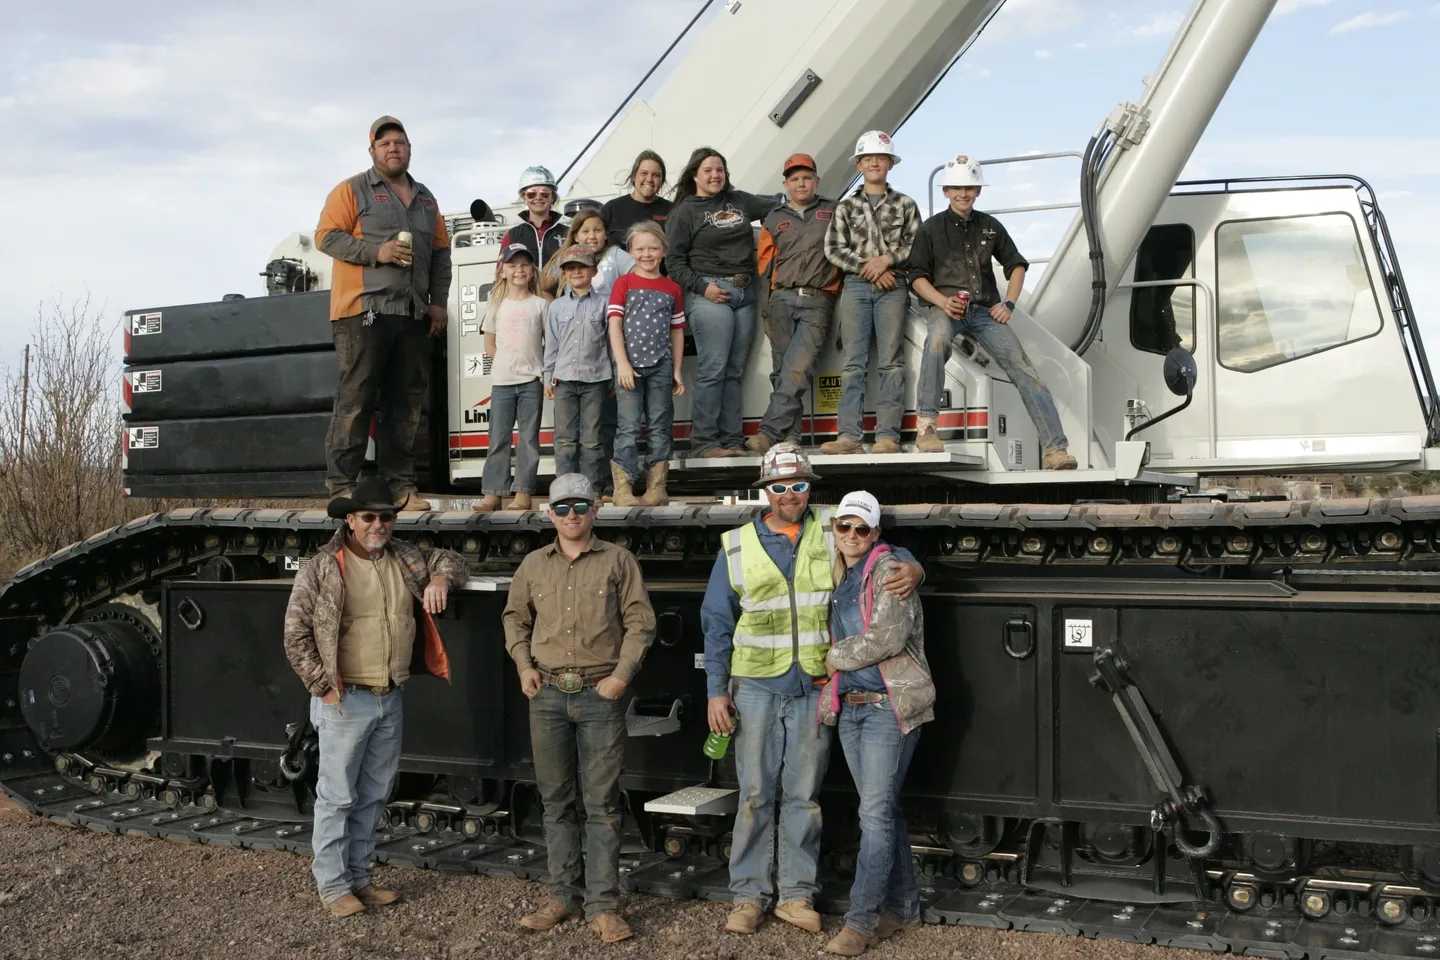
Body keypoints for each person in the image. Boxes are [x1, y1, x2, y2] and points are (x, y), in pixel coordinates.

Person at [701, 444, 923, 936]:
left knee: (804, 794)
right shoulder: (736, 545)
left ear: (809, 488)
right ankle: (748, 896)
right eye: (780, 487)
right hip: (756, 684)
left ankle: (797, 896)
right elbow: (716, 621)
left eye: (799, 485)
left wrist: (913, 565)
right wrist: (717, 690)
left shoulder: (831, 526)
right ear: (765, 491)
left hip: (815, 688)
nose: (791, 495)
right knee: (756, 793)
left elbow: (878, 546)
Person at [282, 476, 463, 917]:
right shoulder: (324, 567)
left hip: (389, 696)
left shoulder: (404, 557)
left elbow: (452, 558)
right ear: (351, 520)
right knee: (338, 796)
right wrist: (321, 686)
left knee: (373, 794)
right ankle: (333, 886)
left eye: (387, 516)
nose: (379, 524)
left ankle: (360, 879)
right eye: (370, 517)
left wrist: (440, 578)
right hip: (345, 699)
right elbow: (294, 634)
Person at [503, 473, 657, 944]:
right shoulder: (533, 565)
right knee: (555, 801)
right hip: (545, 695)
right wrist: (523, 666)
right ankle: (562, 896)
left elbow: (640, 622)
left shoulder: (618, 561)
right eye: (563, 508)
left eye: (581, 507)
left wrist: (620, 678)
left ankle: (604, 906)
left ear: (596, 511)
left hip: (599, 695)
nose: (572, 515)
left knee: (602, 803)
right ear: (550, 514)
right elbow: (515, 617)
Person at [817, 491, 934, 957]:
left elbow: (888, 637)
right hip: (852, 706)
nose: (851, 536)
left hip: (889, 706)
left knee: (874, 815)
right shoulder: (839, 571)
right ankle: (904, 908)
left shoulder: (889, 568)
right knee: (883, 811)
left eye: (861, 529)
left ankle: (861, 922)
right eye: (844, 527)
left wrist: (828, 657)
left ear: (876, 533)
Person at [315, 115, 450, 512]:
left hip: (412, 313)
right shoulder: (352, 190)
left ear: (410, 148)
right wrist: (377, 252)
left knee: (405, 404)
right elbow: (326, 237)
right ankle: (341, 486)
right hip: (363, 312)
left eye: (400, 142)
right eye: (385, 143)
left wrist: (437, 302)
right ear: (372, 150)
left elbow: (441, 253)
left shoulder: (426, 199)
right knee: (356, 400)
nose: (394, 148)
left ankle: (400, 488)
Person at [910, 154, 1077, 469]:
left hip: (985, 312)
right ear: (946, 191)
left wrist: (1008, 303)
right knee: (936, 341)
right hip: (947, 308)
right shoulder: (931, 229)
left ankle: (1056, 450)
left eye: (970, 188)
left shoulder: (990, 226)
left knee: (1024, 369)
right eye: (957, 188)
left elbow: (1016, 265)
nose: (963, 194)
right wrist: (942, 302)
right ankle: (927, 428)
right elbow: (916, 276)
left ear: (978, 192)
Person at [666, 147, 775, 458]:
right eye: (708, 170)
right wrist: (703, 288)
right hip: (709, 293)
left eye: (720, 169)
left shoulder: (740, 201)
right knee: (713, 369)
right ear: (695, 175)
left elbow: (777, 205)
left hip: (745, 292)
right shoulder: (685, 211)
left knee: (734, 371)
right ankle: (704, 442)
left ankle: (731, 440)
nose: (715, 175)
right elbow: (674, 262)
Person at [820, 130, 920, 456]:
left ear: (890, 163)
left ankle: (887, 436)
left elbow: (914, 246)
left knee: (891, 362)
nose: (874, 162)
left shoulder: (906, 205)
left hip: (894, 287)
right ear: (859, 164)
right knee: (853, 363)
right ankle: (849, 436)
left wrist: (886, 261)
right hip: (857, 287)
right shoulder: (845, 208)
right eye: (868, 158)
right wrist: (871, 267)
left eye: (881, 157)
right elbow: (834, 249)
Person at [745, 153, 841, 454]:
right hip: (781, 301)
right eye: (795, 178)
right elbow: (764, 268)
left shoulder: (834, 211)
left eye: (807, 177)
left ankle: (769, 432)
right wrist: (766, 307)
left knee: (797, 370)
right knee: (781, 372)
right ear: (786, 183)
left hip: (818, 300)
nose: (801, 183)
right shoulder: (773, 218)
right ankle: (791, 438)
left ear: (817, 180)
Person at [607, 221, 686, 506]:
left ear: (664, 251)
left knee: (660, 424)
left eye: (653, 248)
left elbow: (677, 330)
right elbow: (614, 325)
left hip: (661, 365)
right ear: (631, 251)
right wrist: (623, 364)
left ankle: (656, 486)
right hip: (630, 366)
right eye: (640, 249)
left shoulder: (672, 288)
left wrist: (677, 369)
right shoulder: (624, 283)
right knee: (628, 426)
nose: (647, 254)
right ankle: (623, 488)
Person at [475, 247, 547, 513]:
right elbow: (490, 343)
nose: (519, 270)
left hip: (531, 382)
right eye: (513, 265)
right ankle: (493, 493)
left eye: (525, 265)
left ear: (532, 271)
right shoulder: (496, 304)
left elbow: (548, 344)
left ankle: (523, 492)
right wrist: (505, 363)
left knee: (528, 439)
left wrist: (542, 373)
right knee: (498, 438)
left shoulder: (540, 305)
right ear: (503, 271)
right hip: (503, 382)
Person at [543, 246, 611, 492]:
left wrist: (612, 377)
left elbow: (611, 343)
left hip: (596, 379)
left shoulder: (604, 303)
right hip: (564, 381)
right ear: (564, 274)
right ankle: (565, 489)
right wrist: (548, 377)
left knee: (592, 439)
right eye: (570, 268)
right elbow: (551, 344)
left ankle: (591, 489)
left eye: (581, 267)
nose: (576, 272)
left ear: (593, 271)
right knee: (564, 440)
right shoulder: (557, 307)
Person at [541, 208, 635, 299]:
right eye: (585, 231)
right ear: (576, 237)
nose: (592, 236)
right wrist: (554, 308)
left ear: (605, 234)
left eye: (598, 230)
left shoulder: (615, 255)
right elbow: (541, 287)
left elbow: (642, 279)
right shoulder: (566, 257)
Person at [499, 165, 567, 271]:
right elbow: (501, 273)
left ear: (552, 197)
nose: (538, 198)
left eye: (544, 194)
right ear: (524, 197)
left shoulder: (568, 233)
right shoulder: (512, 235)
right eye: (531, 194)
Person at [600, 150, 673, 248]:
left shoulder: (673, 211)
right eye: (644, 173)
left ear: (662, 181)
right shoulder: (612, 209)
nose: (649, 179)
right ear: (634, 176)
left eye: (656, 175)